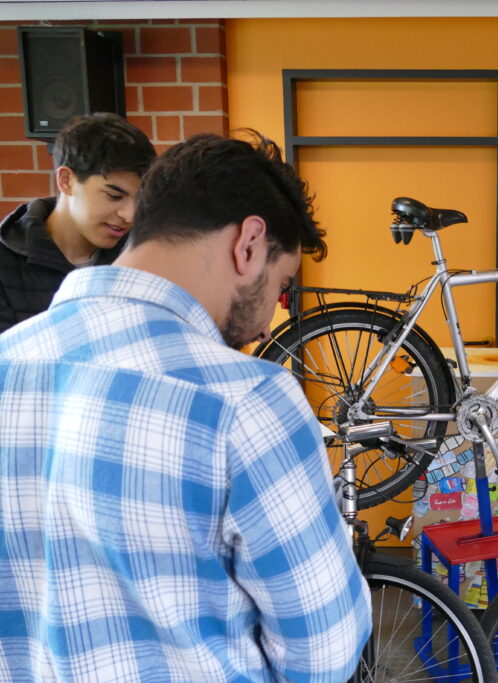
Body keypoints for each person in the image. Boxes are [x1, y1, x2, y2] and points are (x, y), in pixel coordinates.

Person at [0, 131, 371, 681]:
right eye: (282, 284)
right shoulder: (248, 400)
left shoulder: (9, 360)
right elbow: (324, 649)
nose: (270, 321)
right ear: (249, 243)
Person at [0, 112, 156, 334]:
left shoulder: (142, 252)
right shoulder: (5, 263)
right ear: (66, 181)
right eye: (113, 196)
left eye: (139, 199)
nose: (129, 215)